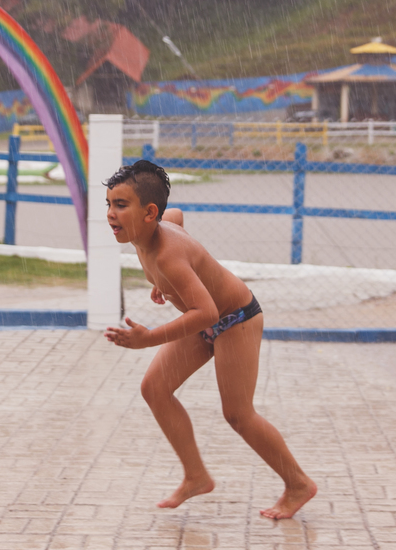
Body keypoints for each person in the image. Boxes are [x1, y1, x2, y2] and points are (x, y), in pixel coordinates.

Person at [102, 160, 317, 520]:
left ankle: (298, 484)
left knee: (238, 414)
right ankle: (196, 476)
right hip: (205, 319)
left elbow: (207, 314)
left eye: (121, 205)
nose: (110, 214)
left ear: (150, 212)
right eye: (108, 203)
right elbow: (178, 215)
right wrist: (164, 285)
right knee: (154, 388)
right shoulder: (153, 230)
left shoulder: (168, 255)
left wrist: (148, 338)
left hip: (236, 319)